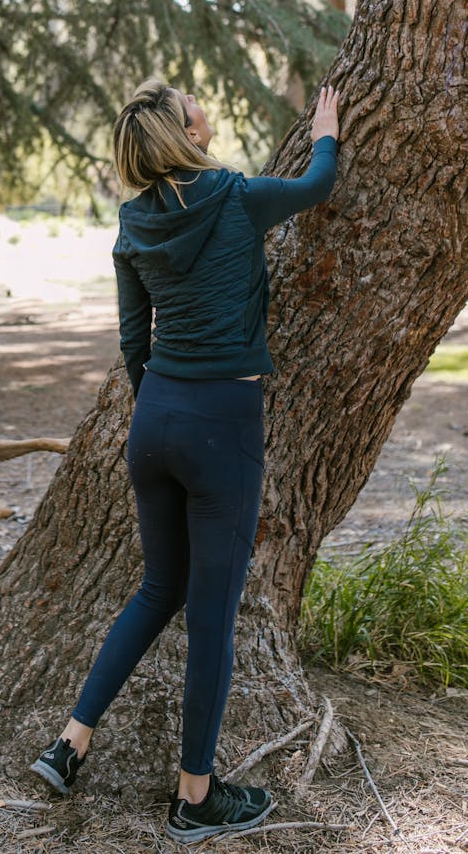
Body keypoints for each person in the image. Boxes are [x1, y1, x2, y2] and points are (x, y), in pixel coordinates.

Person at [30, 78, 340, 844]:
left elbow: (135, 344)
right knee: (209, 619)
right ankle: (195, 798)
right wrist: (327, 128)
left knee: (156, 587)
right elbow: (316, 184)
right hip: (221, 424)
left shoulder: (132, 223)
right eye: (195, 112)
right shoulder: (234, 196)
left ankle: (69, 743)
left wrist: (162, 412)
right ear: (183, 133)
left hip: (154, 421)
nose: (206, 117)